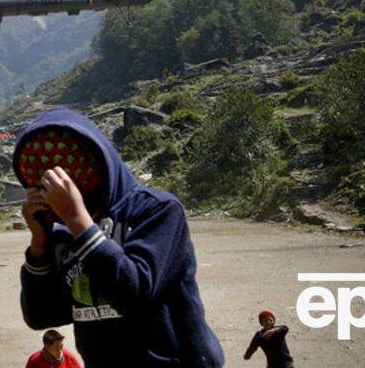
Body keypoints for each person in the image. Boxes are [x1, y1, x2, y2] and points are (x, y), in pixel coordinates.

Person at [16, 107, 224, 367]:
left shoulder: (157, 210)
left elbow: (133, 292)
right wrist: (39, 244)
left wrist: (77, 220)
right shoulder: (64, 236)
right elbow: (41, 315)